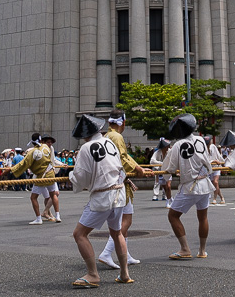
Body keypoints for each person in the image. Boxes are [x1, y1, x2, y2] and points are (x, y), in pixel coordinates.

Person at [68, 114, 132, 287]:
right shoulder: (109, 142)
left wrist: (71, 176)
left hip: (103, 195)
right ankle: (124, 273)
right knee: (116, 232)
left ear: (83, 134)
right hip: (119, 193)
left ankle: (93, 274)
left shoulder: (86, 148)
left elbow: (81, 177)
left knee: (79, 234)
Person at [161, 113, 215, 259]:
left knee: (173, 215)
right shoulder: (200, 140)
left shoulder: (177, 145)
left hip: (191, 186)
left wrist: (164, 176)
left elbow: (170, 168)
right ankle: (202, 251)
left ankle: (185, 249)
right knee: (203, 217)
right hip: (205, 184)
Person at [98, 113, 146, 270]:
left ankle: (126, 254)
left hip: (116, 181)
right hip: (119, 184)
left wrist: (139, 167)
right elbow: (122, 158)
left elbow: (125, 157)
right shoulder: (116, 137)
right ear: (122, 122)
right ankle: (106, 252)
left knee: (124, 220)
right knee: (124, 222)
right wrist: (137, 168)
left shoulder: (107, 136)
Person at [9, 133, 62, 225]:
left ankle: (39, 218)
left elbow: (24, 164)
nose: (50, 143)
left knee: (34, 197)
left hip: (41, 176)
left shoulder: (32, 151)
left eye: (50, 142)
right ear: (42, 141)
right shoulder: (46, 148)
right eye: (48, 141)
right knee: (53, 195)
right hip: (50, 174)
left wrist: (12, 170)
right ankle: (56, 215)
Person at [149, 138, 173, 206]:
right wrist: (162, 163)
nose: (168, 147)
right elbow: (152, 161)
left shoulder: (170, 152)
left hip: (168, 170)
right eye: (166, 146)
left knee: (168, 186)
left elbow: (174, 160)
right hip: (159, 170)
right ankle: (168, 197)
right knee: (163, 186)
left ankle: (168, 199)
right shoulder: (157, 152)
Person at [204, 134, 226, 205]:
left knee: (215, 182)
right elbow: (205, 159)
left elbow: (218, 156)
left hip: (216, 167)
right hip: (209, 168)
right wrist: (213, 161)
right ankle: (222, 197)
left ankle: (214, 198)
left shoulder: (213, 147)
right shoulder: (203, 149)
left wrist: (224, 163)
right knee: (214, 184)